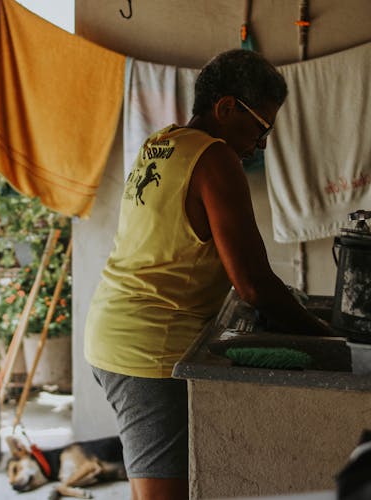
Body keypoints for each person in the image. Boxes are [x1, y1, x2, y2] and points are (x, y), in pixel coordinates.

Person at [84, 49, 330, 500]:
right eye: (261, 126)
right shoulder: (215, 159)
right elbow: (253, 284)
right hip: (150, 350)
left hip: (116, 330)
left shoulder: (162, 141)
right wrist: (326, 337)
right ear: (226, 108)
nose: (261, 142)